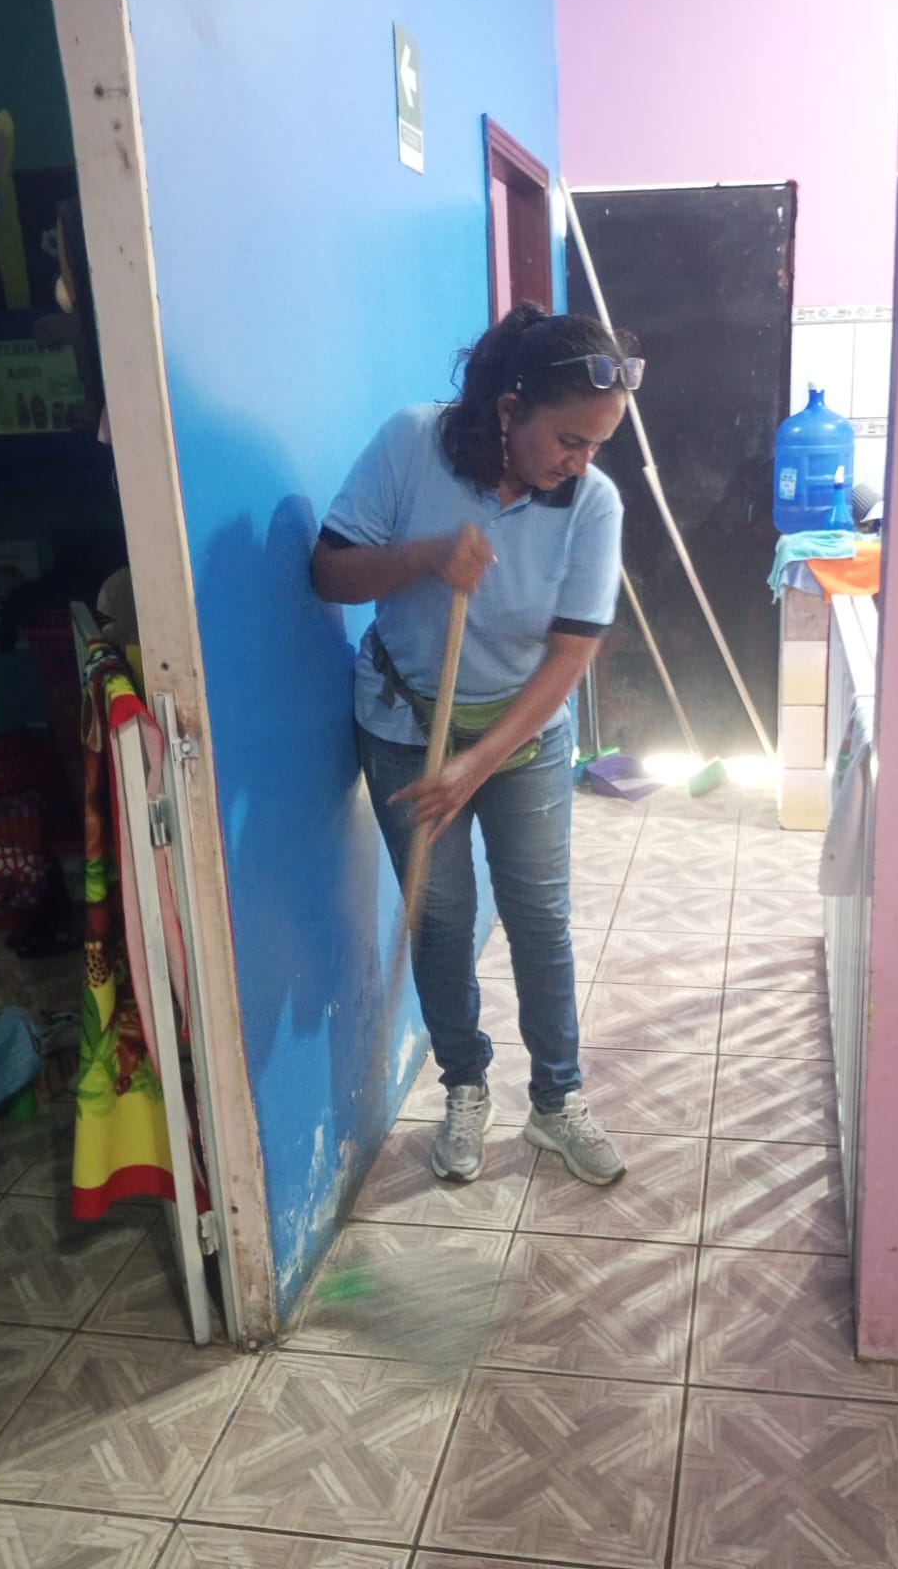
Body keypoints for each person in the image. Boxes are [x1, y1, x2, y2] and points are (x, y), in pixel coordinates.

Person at [311, 303, 643, 1187]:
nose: (581, 462)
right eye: (568, 440)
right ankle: (464, 1085)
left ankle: (556, 1101)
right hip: (404, 722)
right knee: (441, 914)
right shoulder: (411, 443)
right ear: (508, 409)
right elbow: (329, 573)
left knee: (538, 917)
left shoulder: (593, 504)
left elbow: (570, 656)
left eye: (597, 445)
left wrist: (474, 764)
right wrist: (422, 557)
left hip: (523, 731)